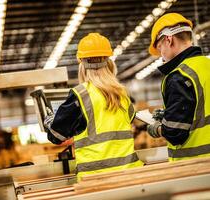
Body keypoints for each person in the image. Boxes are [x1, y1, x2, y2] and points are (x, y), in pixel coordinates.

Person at [44, 33, 143, 180]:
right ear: (108, 61)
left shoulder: (80, 94)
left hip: (96, 180)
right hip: (131, 175)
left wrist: (49, 121)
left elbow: (56, 136)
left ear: (82, 64)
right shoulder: (122, 93)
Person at [147, 13, 210, 161]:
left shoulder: (179, 76)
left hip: (196, 166)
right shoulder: (206, 65)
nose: (161, 55)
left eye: (160, 47)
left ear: (169, 40)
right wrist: (169, 115)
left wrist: (157, 128)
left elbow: (175, 132)